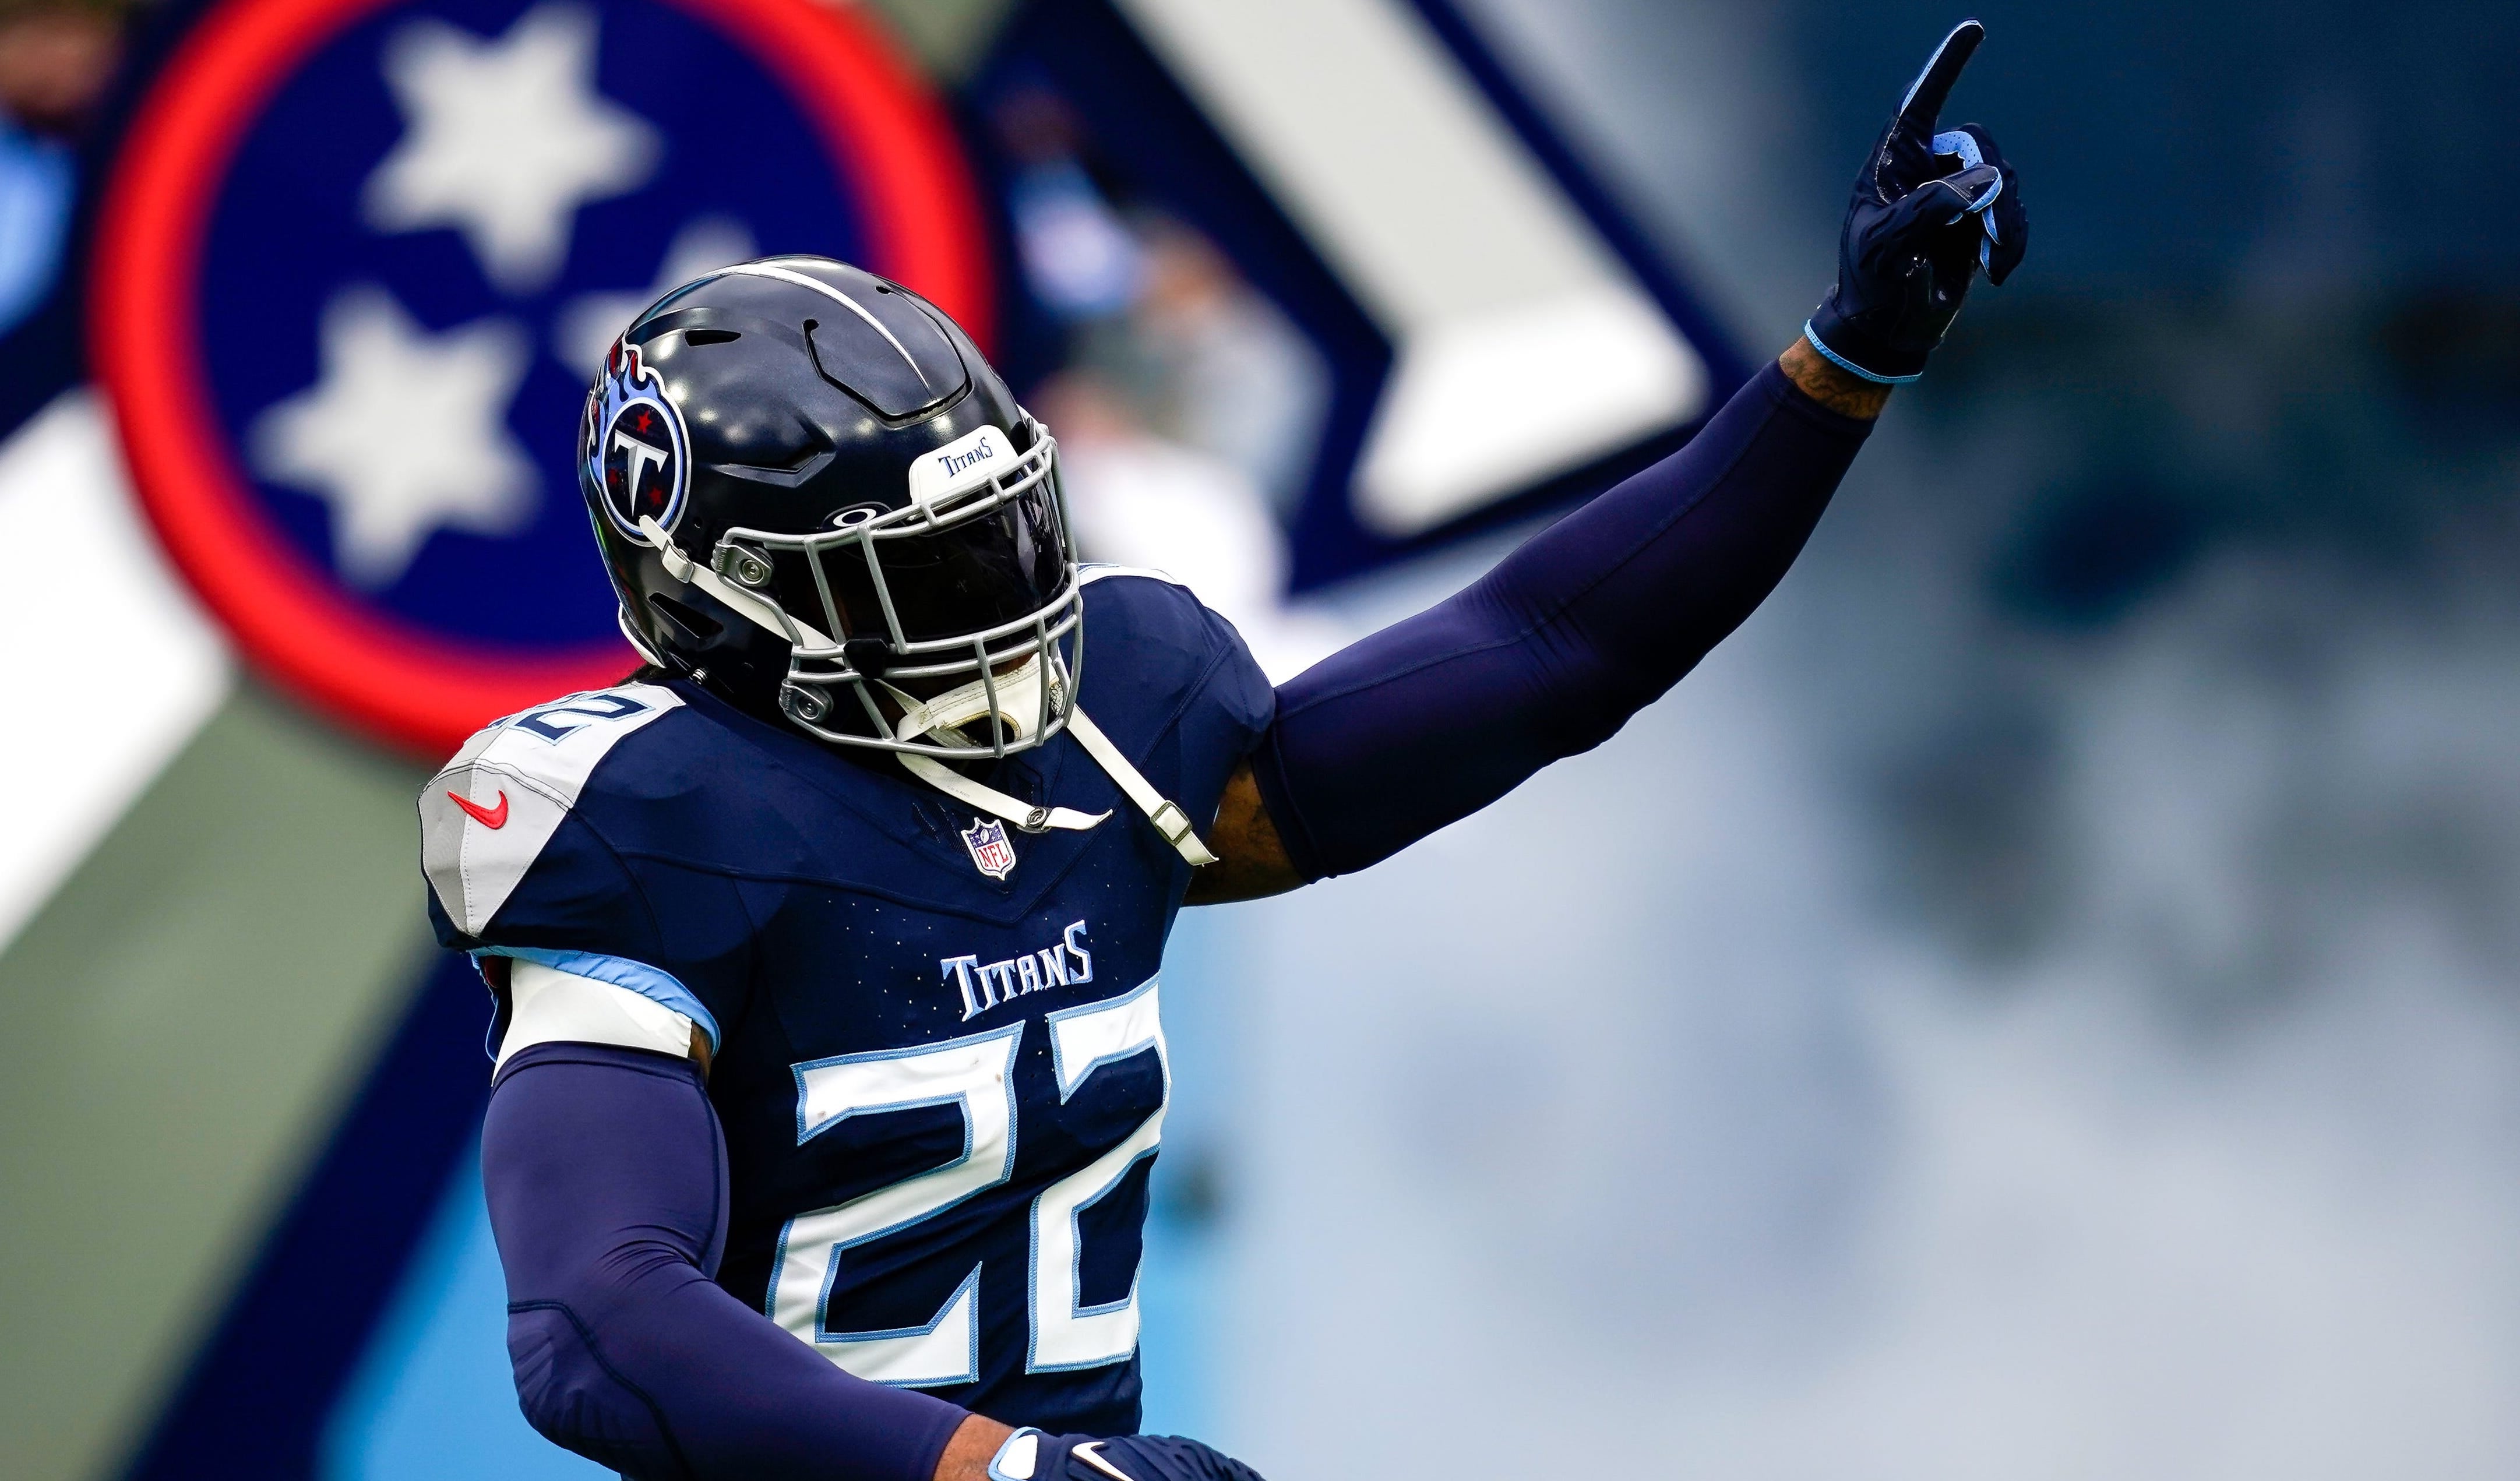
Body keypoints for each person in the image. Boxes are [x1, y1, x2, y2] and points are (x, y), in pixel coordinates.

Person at [420, 22, 2025, 1481]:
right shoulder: (644, 824)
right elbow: (594, 1330)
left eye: (1000, 537)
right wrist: (1017, 1479)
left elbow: (1555, 649)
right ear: (730, 601)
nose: (994, 604)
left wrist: (1844, 361)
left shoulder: (1120, 724)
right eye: (911, 572)